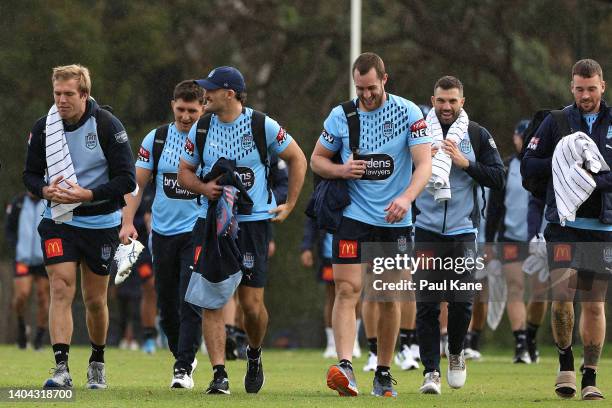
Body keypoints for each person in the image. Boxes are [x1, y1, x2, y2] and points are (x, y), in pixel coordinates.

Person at [178, 66, 307, 394]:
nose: (204, 95)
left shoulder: (261, 124)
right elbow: (184, 173)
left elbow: (297, 158)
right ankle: (219, 373)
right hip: (212, 225)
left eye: (211, 90)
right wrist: (203, 189)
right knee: (212, 301)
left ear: (230, 94)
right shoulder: (202, 126)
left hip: (252, 224)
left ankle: (254, 352)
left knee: (251, 305)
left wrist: (289, 204)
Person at [311, 52, 432, 397]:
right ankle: (346, 367)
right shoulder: (341, 116)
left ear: (385, 80)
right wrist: (341, 170)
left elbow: (423, 164)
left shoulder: (409, 112)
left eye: (372, 87)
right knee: (348, 290)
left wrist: (407, 198)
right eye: (360, 88)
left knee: (389, 296)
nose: (366, 94)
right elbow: (316, 159)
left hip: (395, 221)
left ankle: (382, 370)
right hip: (352, 218)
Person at [23, 64, 136, 389]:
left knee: (95, 300)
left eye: (69, 94)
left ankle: (97, 361)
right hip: (59, 220)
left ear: (84, 95)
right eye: (57, 94)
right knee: (60, 288)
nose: (61, 100)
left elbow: (127, 179)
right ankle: (61, 368)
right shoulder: (44, 128)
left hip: (100, 223)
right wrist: (44, 190)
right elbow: (29, 175)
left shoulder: (106, 125)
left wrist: (89, 194)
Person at [522, 58, 610, 401]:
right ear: (571, 88)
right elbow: (528, 165)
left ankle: (590, 377)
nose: (586, 95)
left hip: (601, 228)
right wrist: (561, 162)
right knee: (561, 301)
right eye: (579, 89)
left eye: (591, 88)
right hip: (563, 225)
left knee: (594, 304)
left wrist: (590, 177)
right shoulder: (555, 121)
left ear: (602, 86)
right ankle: (565, 364)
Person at [414, 76, 505, 395]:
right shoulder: (418, 133)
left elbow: (498, 178)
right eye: (441, 100)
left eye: (453, 101)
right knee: (426, 305)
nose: (446, 107)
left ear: (462, 102)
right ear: (432, 100)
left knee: (462, 302)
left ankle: (455, 353)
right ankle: (430, 371)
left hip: (463, 231)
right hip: (424, 229)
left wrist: (465, 163)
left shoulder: (477, 135)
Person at [119, 80, 205, 388]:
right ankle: (181, 354)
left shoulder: (211, 139)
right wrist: (127, 221)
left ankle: (183, 367)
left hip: (197, 230)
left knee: (189, 297)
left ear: (203, 109)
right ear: (172, 106)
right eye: (181, 109)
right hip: (163, 234)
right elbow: (137, 185)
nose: (185, 116)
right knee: (166, 303)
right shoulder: (156, 139)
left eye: (192, 111)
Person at [485, 119, 548, 364]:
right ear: (516, 138)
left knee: (541, 292)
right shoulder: (507, 166)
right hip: (510, 237)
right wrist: (489, 243)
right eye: (523, 137)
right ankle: (520, 342)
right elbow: (494, 209)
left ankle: (531, 336)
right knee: (515, 287)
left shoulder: (546, 166)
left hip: (540, 240)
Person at [5, 191, 49, 350]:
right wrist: (16, 248)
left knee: (44, 298)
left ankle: (39, 337)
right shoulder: (18, 203)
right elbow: (9, 229)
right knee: (21, 295)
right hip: (23, 259)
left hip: (43, 260)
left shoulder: (48, 201)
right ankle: (22, 328)